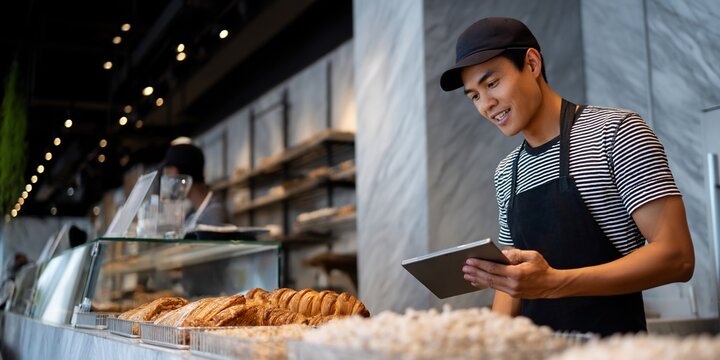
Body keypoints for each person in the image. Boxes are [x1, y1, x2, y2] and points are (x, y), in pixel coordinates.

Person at [441, 17, 695, 336]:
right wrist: (489, 345)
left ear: (532, 63)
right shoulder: (507, 173)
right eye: (474, 96)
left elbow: (677, 256)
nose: (487, 105)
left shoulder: (617, 133)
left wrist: (555, 284)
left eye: (492, 84)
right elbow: (511, 285)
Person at [162, 138, 229, 226]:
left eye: (168, 174)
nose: (168, 182)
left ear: (178, 175)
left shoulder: (214, 213)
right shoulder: (192, 214)